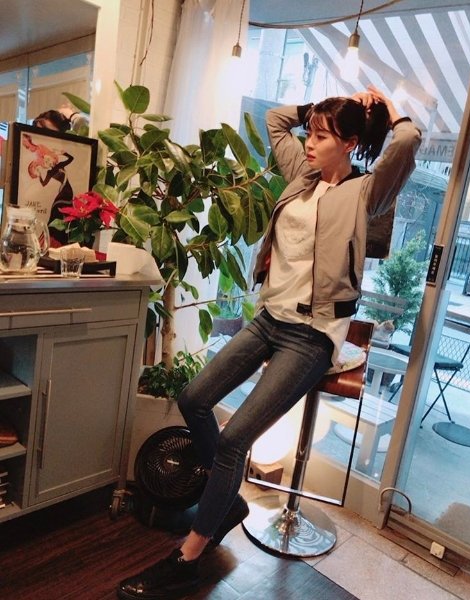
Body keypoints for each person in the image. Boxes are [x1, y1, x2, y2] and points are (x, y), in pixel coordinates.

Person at [117, 85, 421, 600]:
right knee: (193, 399)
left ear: (349, 144)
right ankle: (226, 498)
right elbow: (278, 120)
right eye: (311, 134)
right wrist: (322, 107)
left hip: (312, 335)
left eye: (322, 136)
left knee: (235, 439)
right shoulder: (302, 177)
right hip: (268, 320)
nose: (308, 143)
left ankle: (188, 558)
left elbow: (408, 140)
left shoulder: (366, 192)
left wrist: (385, 108)